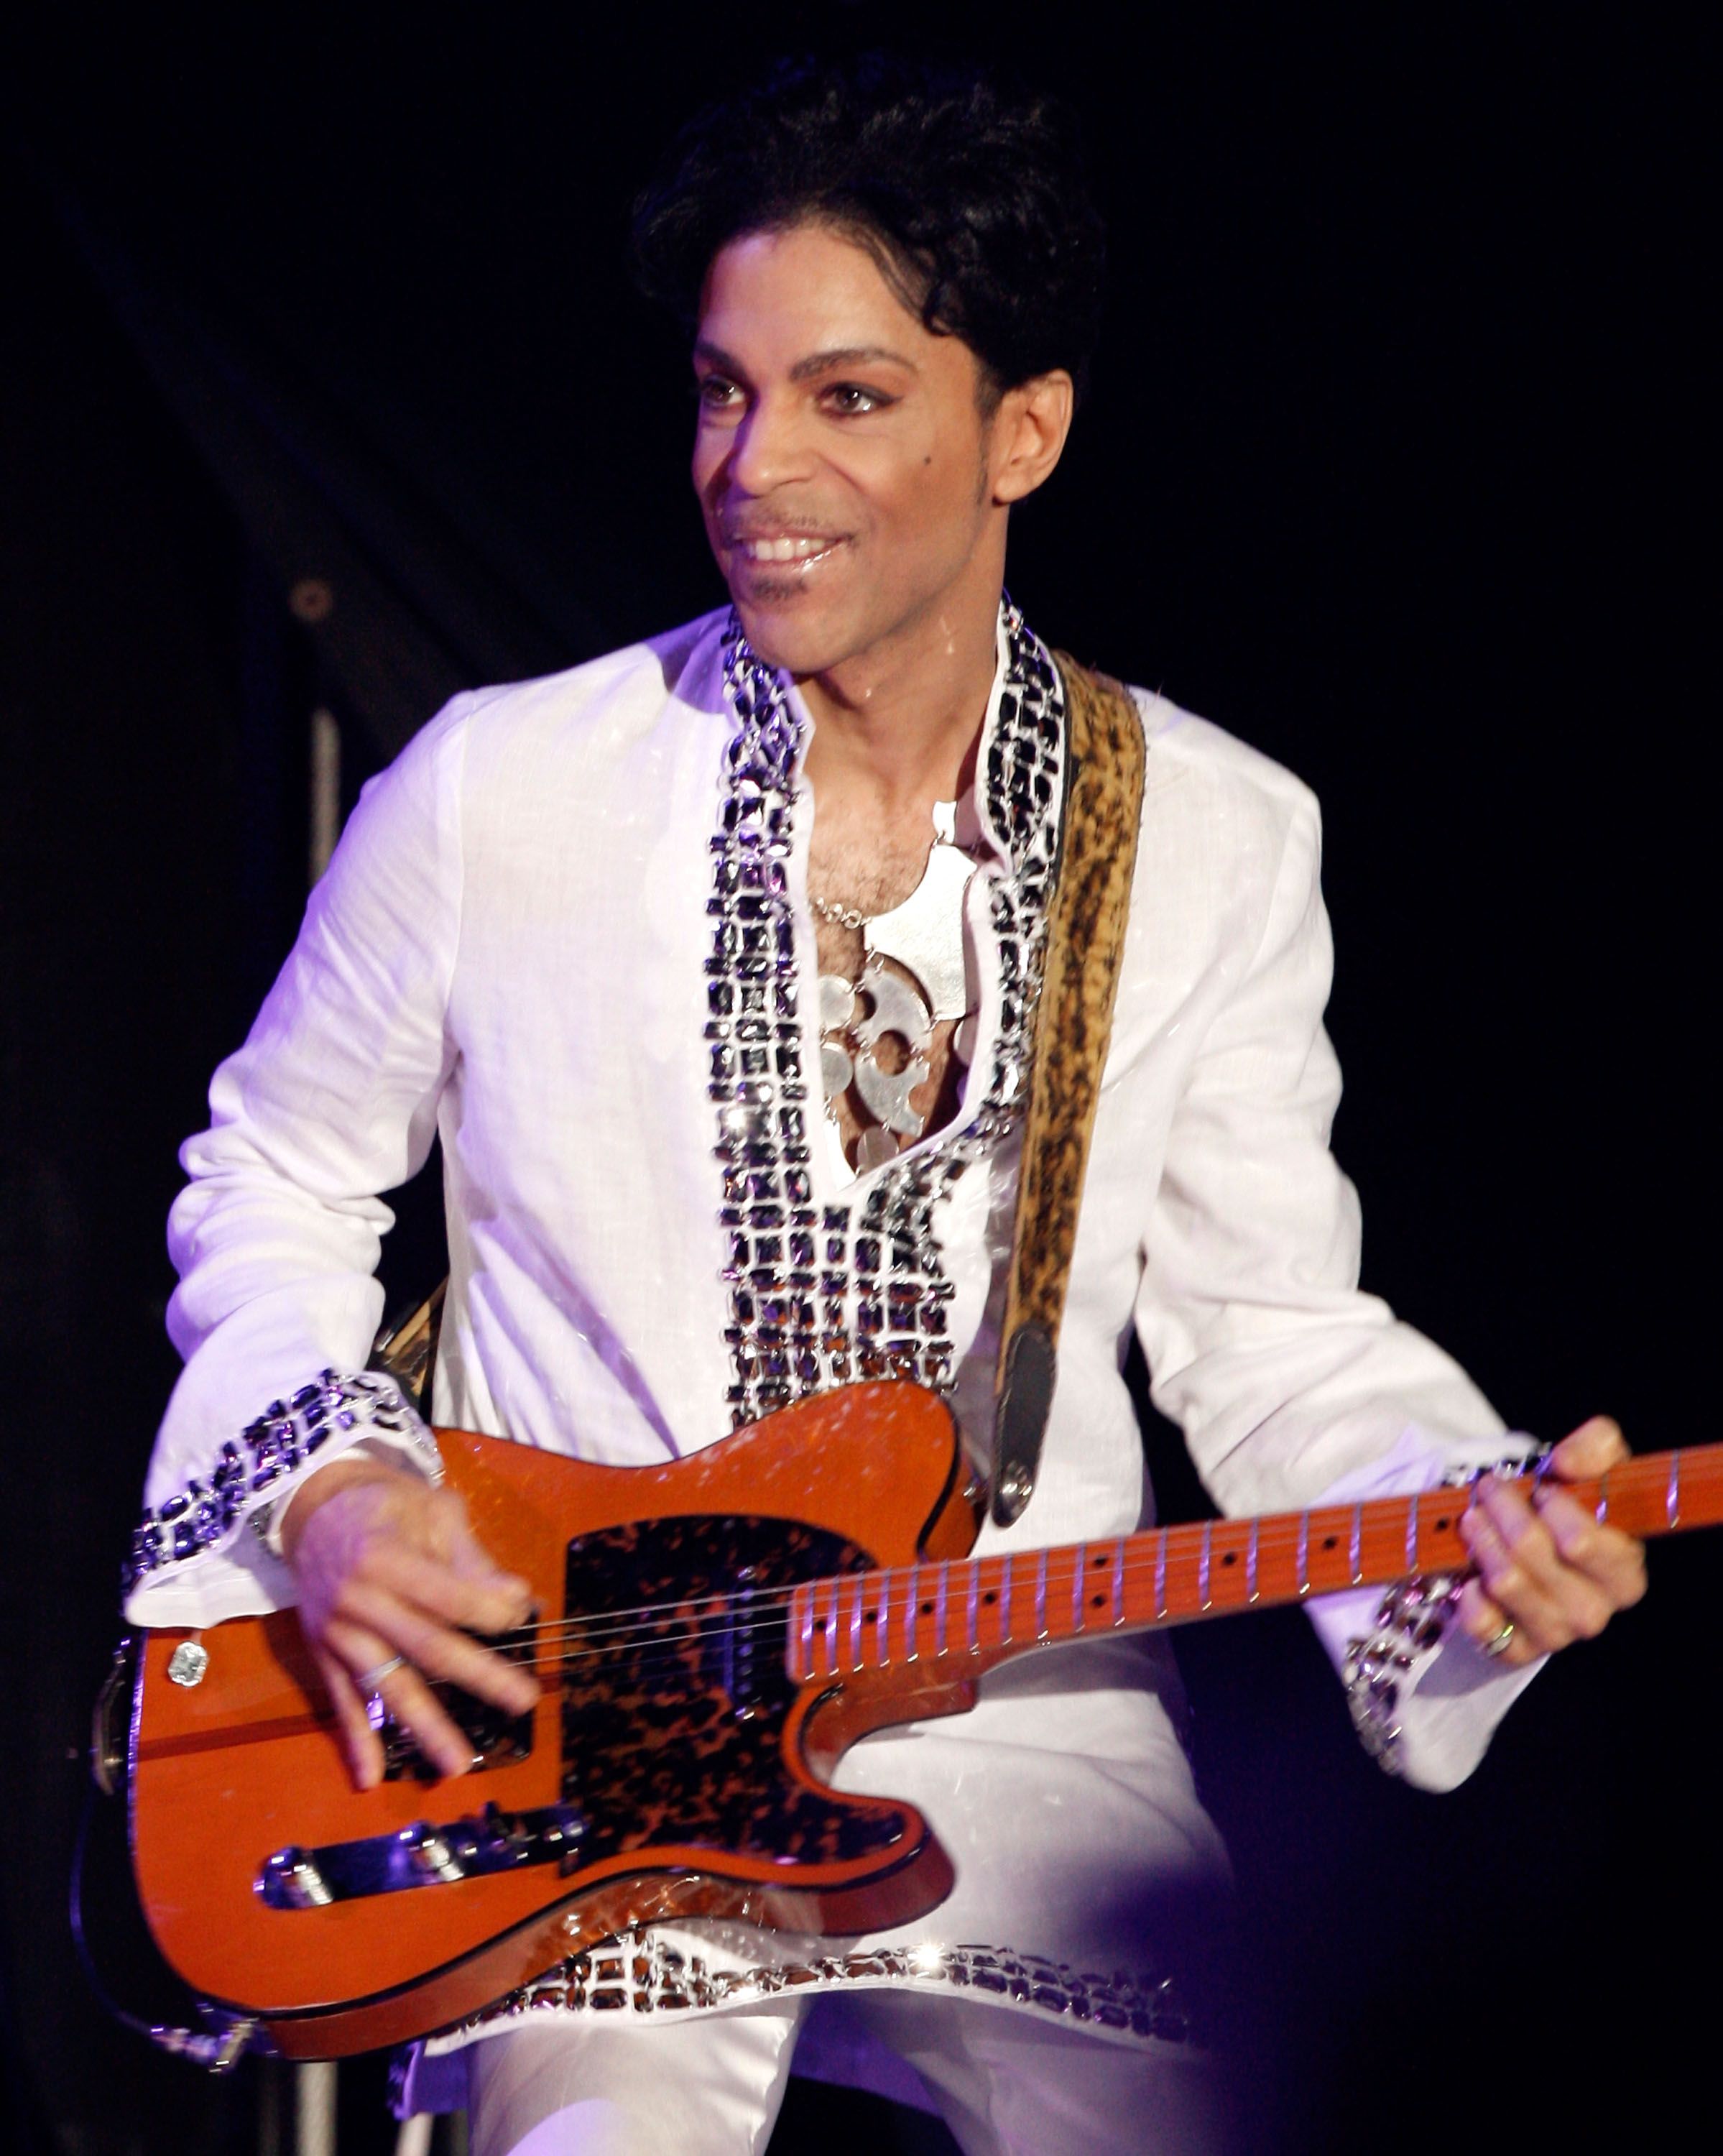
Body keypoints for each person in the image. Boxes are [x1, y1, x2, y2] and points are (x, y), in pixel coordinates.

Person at [122, 56, 1646, 2156]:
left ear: (1023, 429)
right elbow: (274, 1178)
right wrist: (339, 1502)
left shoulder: (1208, 832)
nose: (756, 466)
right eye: (723, 392)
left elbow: (1272, 1336)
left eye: (846, 398)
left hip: (1021, 1716)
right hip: (585, 1725)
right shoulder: (502, 785)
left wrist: (1471, 1535)